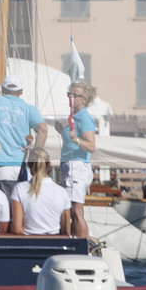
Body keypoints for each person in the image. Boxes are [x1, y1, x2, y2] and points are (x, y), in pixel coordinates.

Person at [59, 81, 99, 238]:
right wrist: (61, 130)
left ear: (85, 99)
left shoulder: (84, 118)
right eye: (69, 94)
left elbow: (91, 146)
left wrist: (76, 140)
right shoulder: (74, 116)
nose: (71, 98)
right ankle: (74, 239)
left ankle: (82, 245)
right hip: (69, 166)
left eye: (74, 95)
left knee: (76, 210)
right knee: (70, 208)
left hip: (77, 167)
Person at [9, 148, 73, 236]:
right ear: (49, 164)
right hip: (55, 246)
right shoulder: (62, 192)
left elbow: (17, 229)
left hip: (29, 246)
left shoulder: (19, 189)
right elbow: (66, 231)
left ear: (29, 165)